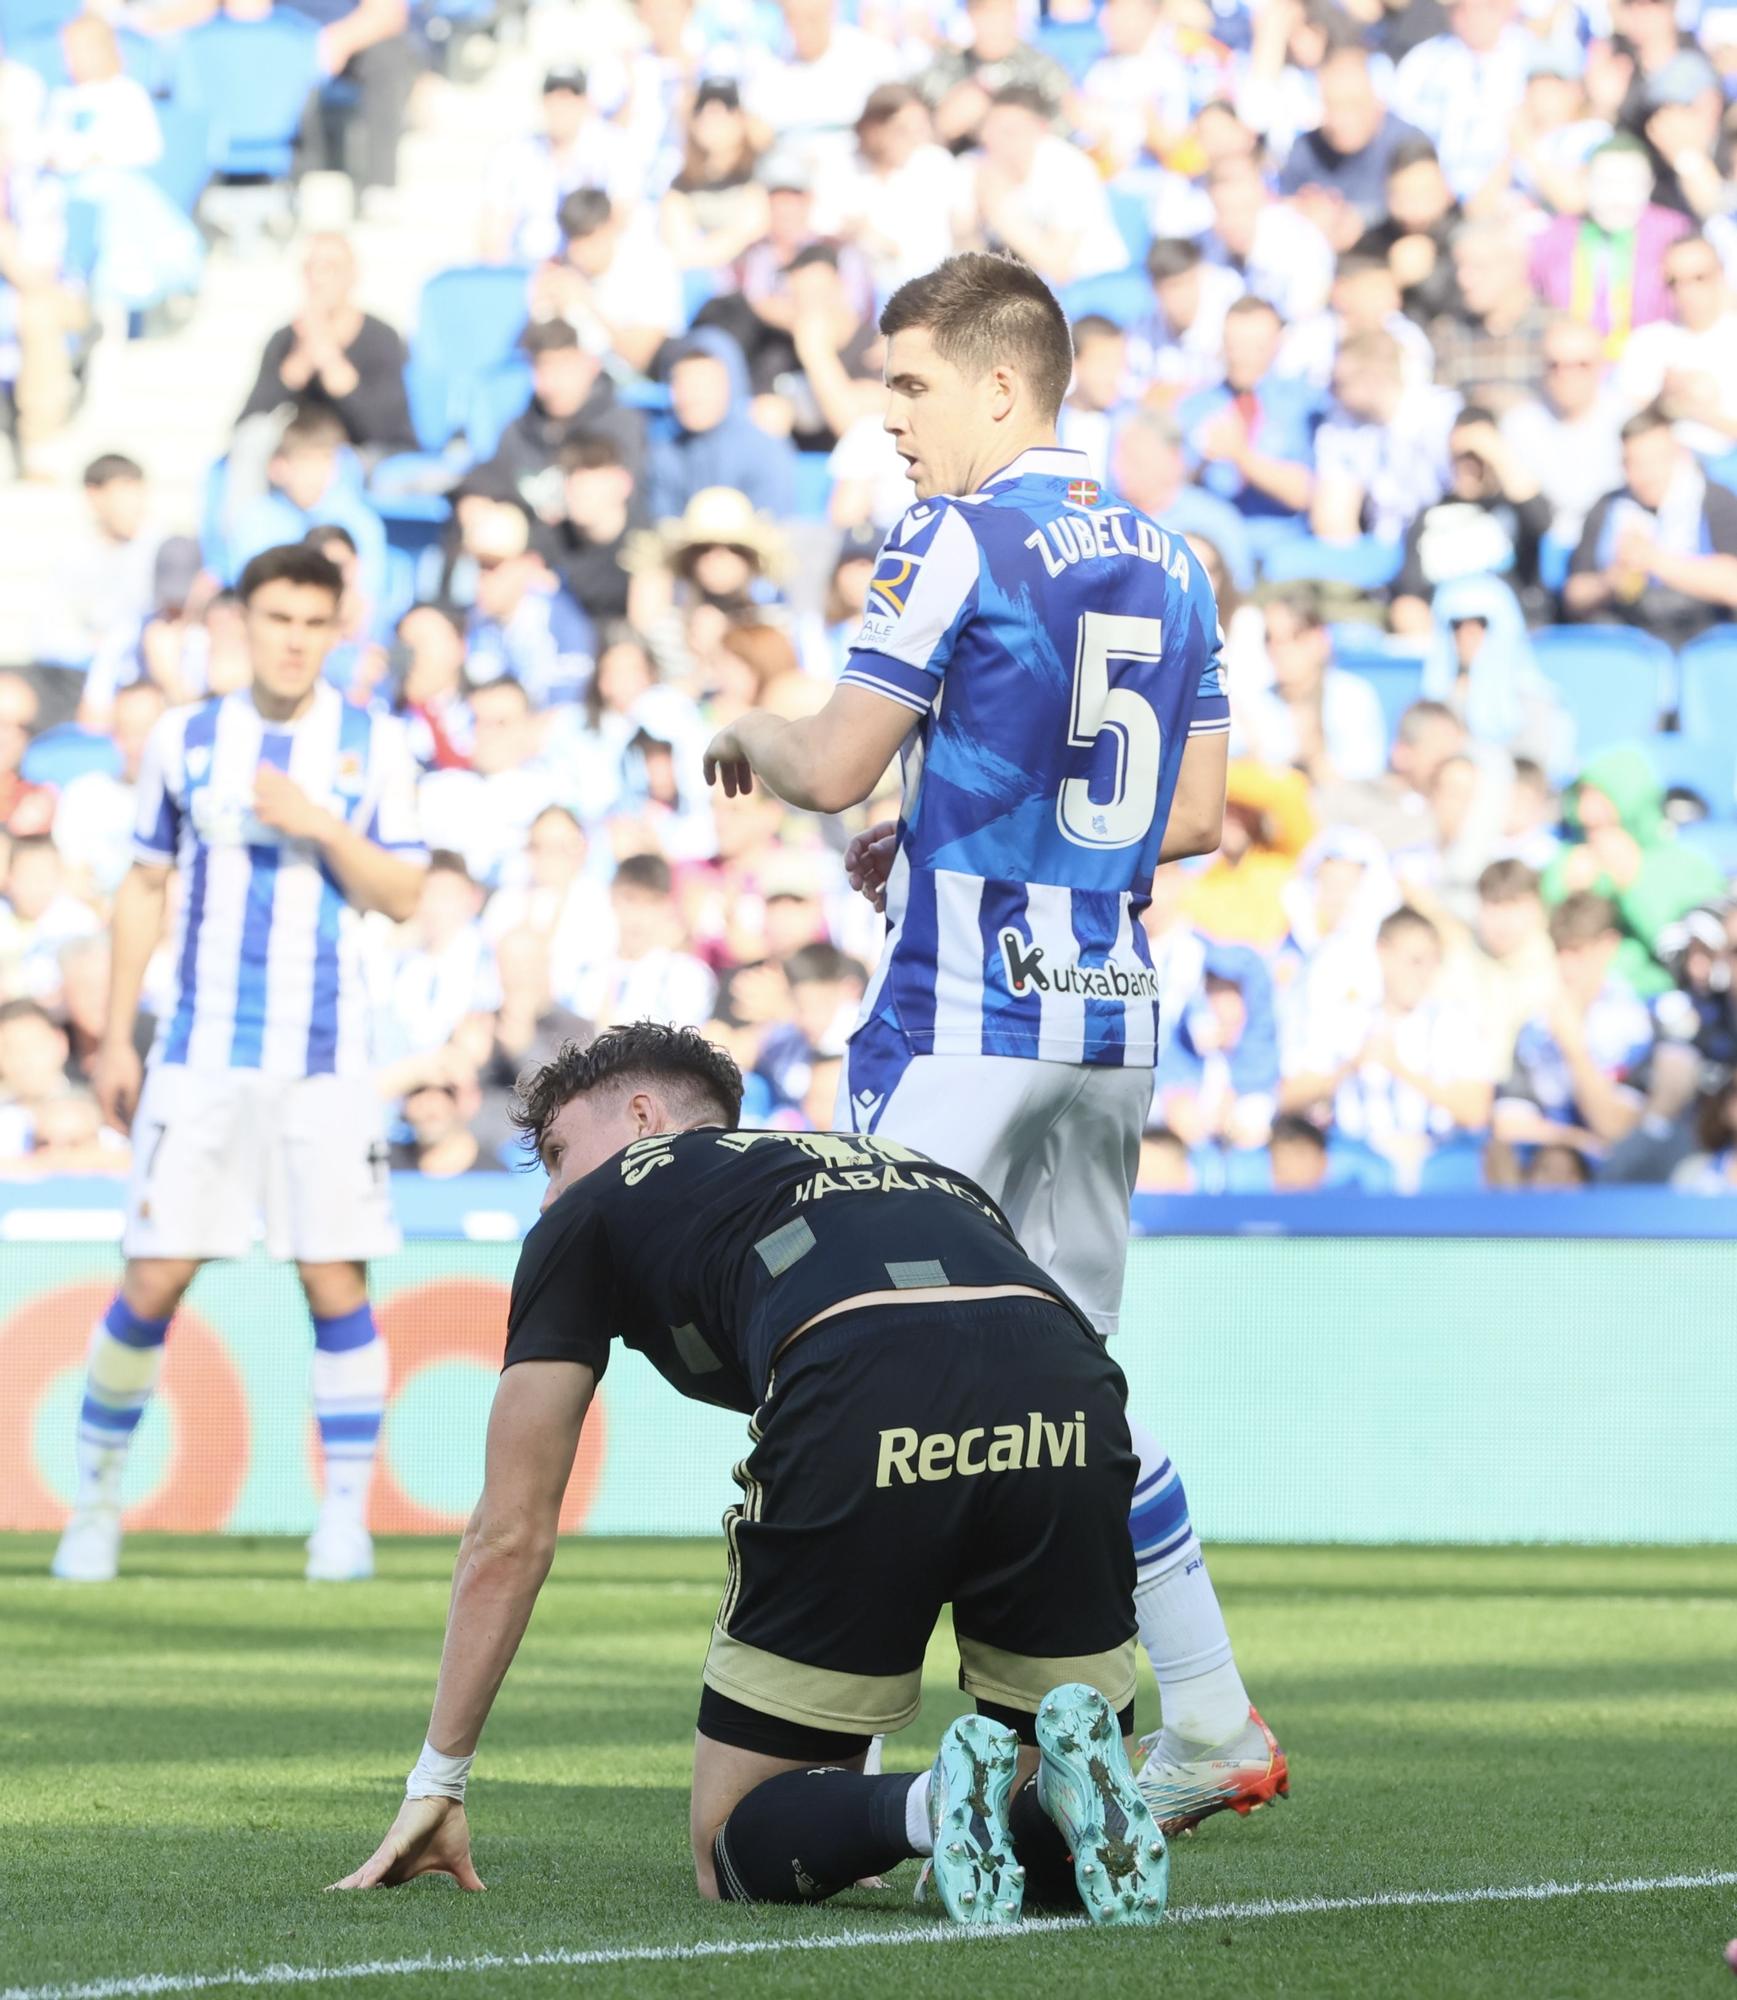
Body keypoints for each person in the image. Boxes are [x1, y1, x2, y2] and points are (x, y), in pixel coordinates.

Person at [699, 251, 1287, 1835]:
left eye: (908, 384)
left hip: (960, 1021)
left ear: (1000, 384)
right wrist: (954, 824)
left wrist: (746, 729)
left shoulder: (952, 534)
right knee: (1070, 1386)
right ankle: (1208, 1715)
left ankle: (820, 1753)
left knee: (861, 1354)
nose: (887, 417)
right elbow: (1194, 815)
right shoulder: (1175, 560)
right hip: (1105, 1017)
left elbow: (827, 764)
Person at [331, 1023, 1168, 1926]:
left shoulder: (592, 1209)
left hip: (861, 1377)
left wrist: (439, 1780)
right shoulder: (895, 1158)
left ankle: (928, 1802)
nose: (550, 1198)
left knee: (731, 1846)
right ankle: (1070, 1792)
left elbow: (510, 1530)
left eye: (558, 1155)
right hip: (1069, 1383)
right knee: (1050, 1821)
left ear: (644, 1117)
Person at [49, 544, 427, 1587]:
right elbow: (143, 885)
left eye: (313, 621)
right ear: (242, 622)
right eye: (277, 618)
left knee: (333, 1275)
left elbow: (403, 891)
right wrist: (118, 1033)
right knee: (156, 1273)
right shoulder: (186, 736)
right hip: (200, 1052)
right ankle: (93, 1506)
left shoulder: (374, 743)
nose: (295, 638)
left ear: (336, 629)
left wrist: (318, 826)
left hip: (325, 1057)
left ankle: (343, 1521)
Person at [1280, 902, 1496, 1183]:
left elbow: (1476, 1111)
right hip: (1357, 1157)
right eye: (1415, 960)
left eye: (1434, 961)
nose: (1425, 973)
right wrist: (1351, 1066)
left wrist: (1399, 1069)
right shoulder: (1346, 1019)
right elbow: (1289, 1098)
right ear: (1383, 953)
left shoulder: (1454, 1022)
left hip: (1437, 1154)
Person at [1492, 891, 1654, 1168]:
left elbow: (1615, 1128)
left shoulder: (1637, 1025)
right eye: (1560, 950)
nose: (1566, 966)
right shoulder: (1536, 1026)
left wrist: (1574, 1048)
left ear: (1608, 945)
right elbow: (1509, 1125)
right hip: (1542, 1173)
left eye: (1577, 951)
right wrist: (1573, 1140)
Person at [1565, 404, 1737, 650]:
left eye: (1654, 461)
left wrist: (1654, 561)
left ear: (1680, 456)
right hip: (1627, 644)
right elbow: (1575, 594)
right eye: (1632, 463)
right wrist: (1610, 581)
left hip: (1701, 640)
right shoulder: (1607, 507)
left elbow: (1732, 585)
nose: (1644, 475)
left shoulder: (1716, 501)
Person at [237, 234, 415, 456]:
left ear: (353, 275)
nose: (318, 279)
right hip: (298, 461)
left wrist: (333, 365)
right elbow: (247, 425)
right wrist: (297, 366)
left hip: (359, 459)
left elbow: (388, 432)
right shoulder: (284, 341)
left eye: (330, 268)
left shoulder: (381, 338)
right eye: (310, 268)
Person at [481, 68, 639, 268]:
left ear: (585, 102)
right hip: (527, 270)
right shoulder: (515, 152)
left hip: (590, 271)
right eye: (553, 95)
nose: (560, 105)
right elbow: (493, 228)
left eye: (570, 96)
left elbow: (620, 218)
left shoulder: (613, 147)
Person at [1235, 589, 1387, 785]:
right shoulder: (1254, 703)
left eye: (1294, 637)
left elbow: (1364, 789)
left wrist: (1314, 756)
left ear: (1320, 639)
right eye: (1270, 639)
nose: (1279, 649)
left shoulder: (1353, 698)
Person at [1499, 318, 1626, 550]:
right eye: (1554, 365)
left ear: (1601, 366)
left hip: (1609, 548)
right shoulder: (1519, 424)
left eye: (1580, 365)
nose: (1566, 375)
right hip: (1538, 548)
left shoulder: (1628, 421)